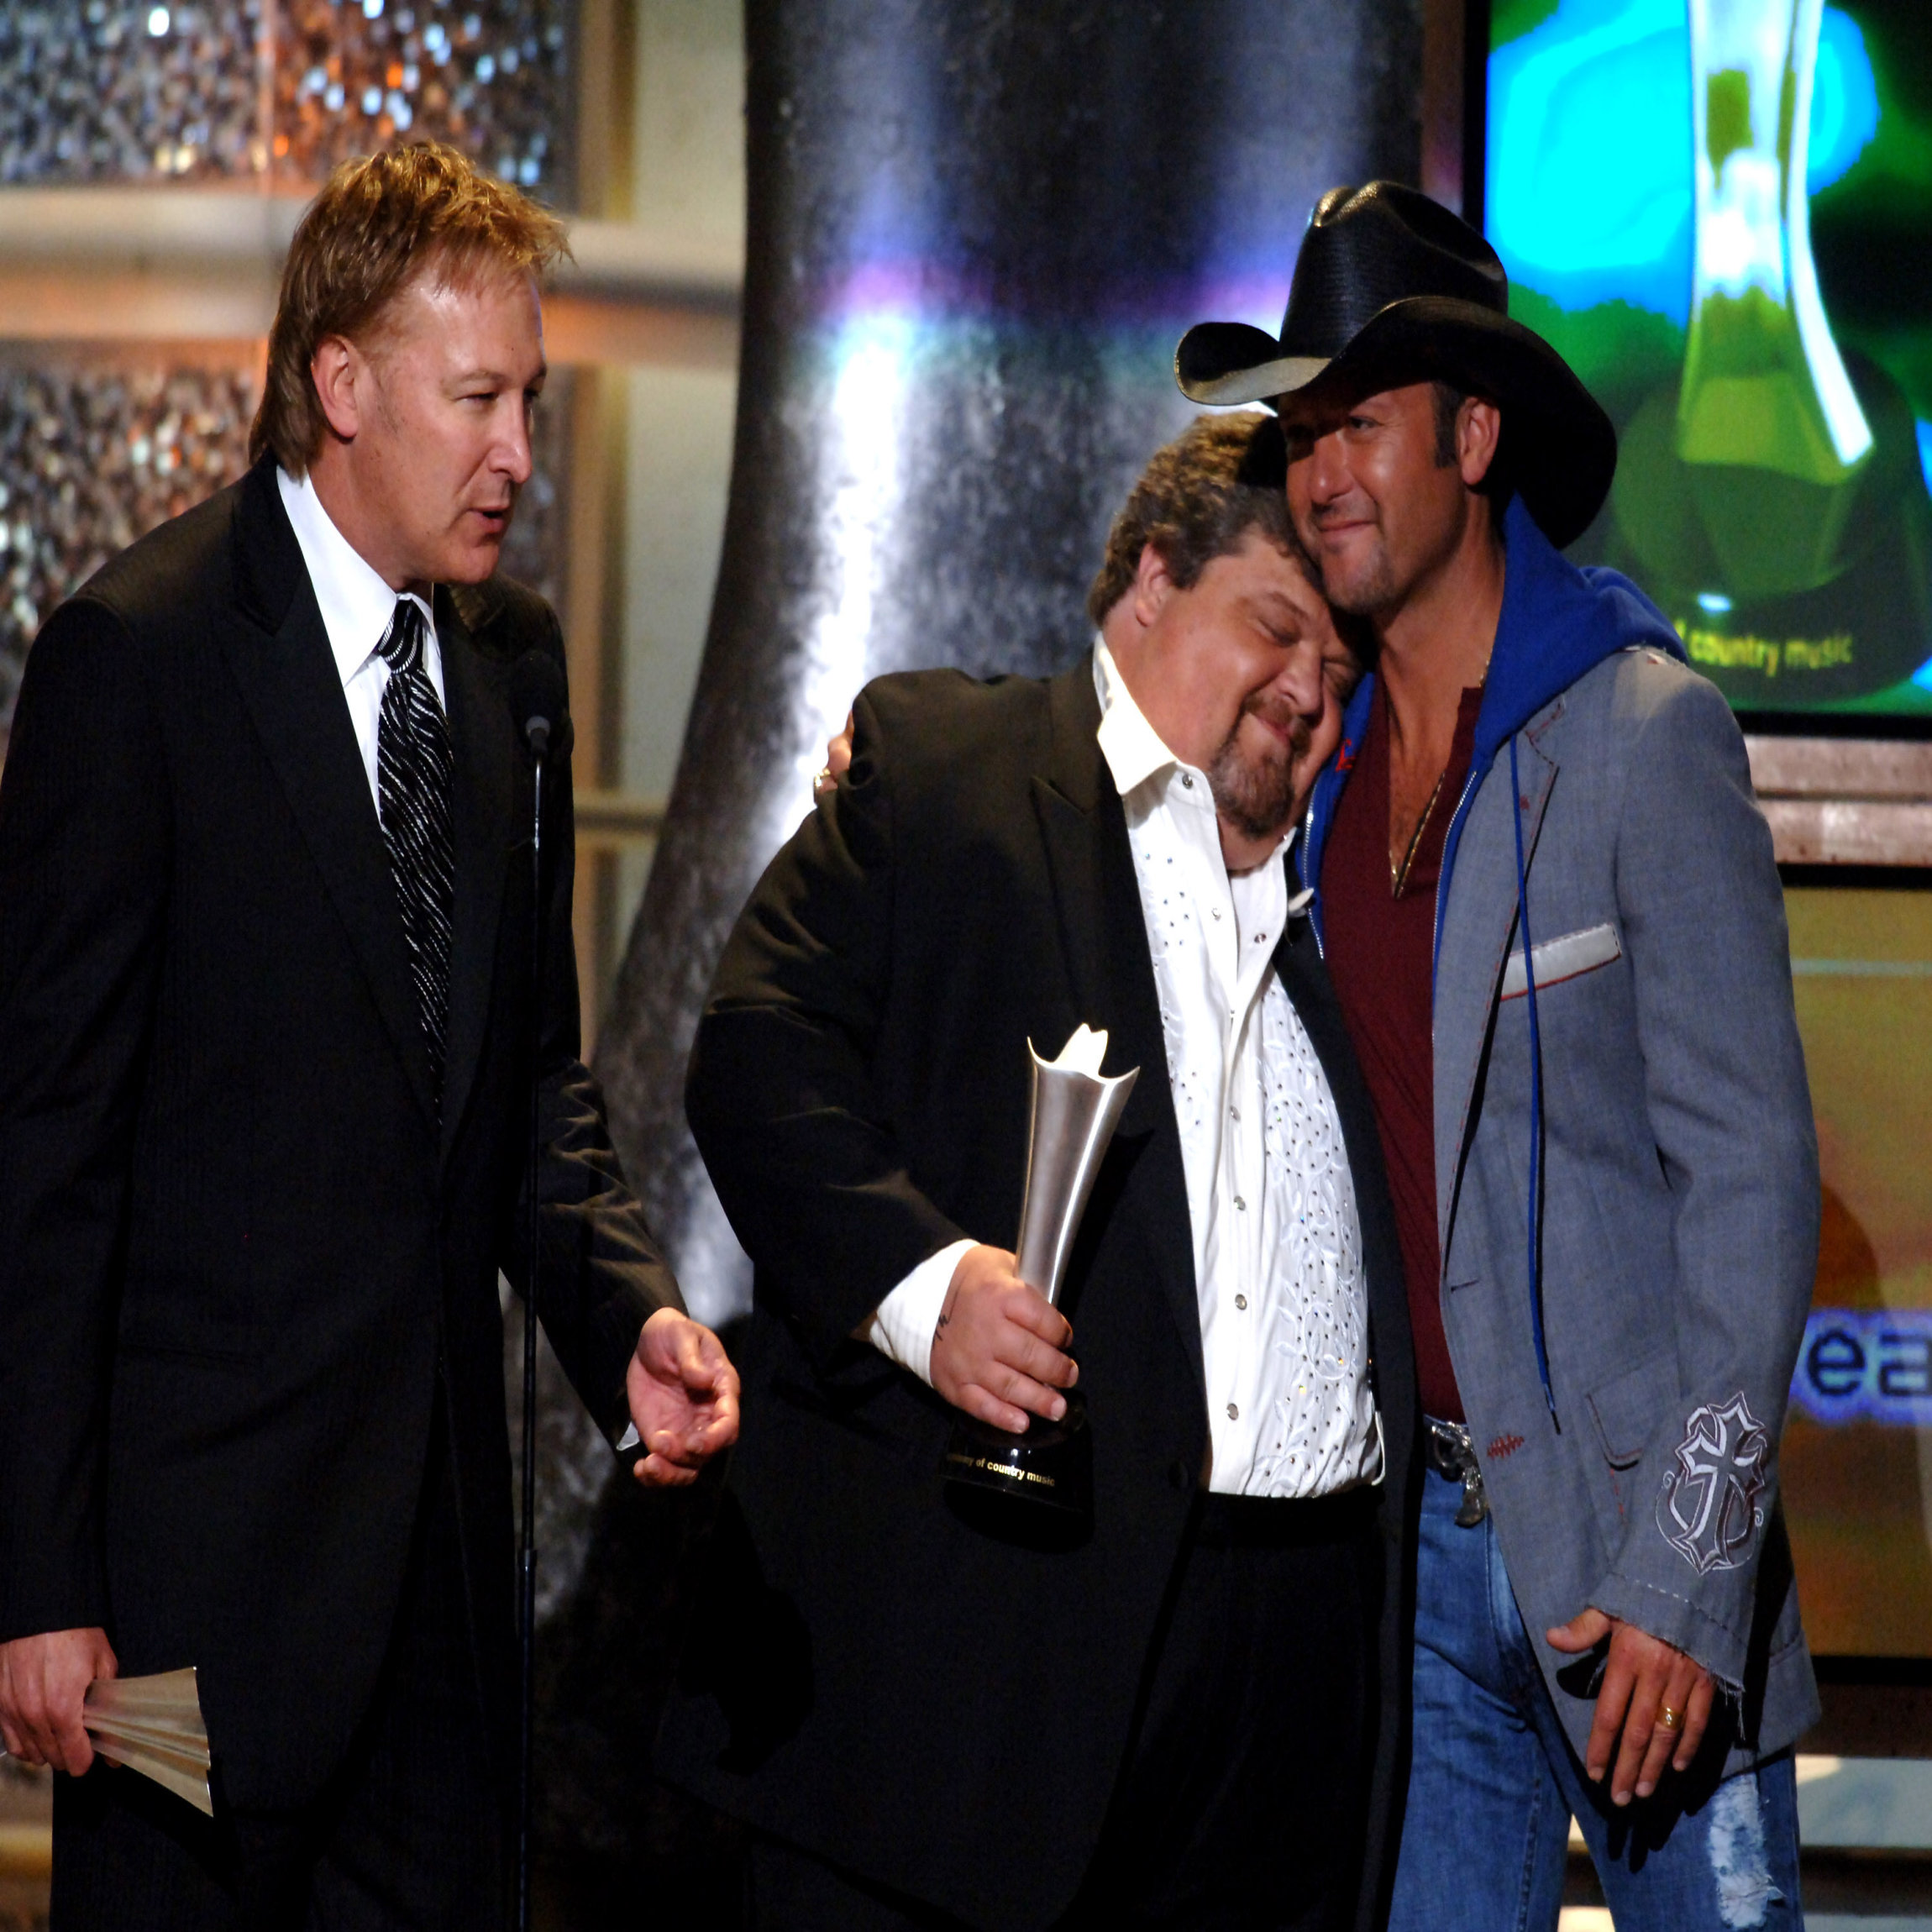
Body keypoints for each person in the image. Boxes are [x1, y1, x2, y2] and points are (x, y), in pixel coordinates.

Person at [0, 142, 739, 1929]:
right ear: (340, 385)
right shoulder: (139, 657)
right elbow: (43, 1152)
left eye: (532, 404)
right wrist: (34, 1576)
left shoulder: (515, 670)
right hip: (182, 1614)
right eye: (478, 400)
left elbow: (529, 1093)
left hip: (440, 1618)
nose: (518, 455)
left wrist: (627, 1309)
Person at [657, 412, 1417, 1932]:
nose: (1306, 695)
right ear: (1151, 582)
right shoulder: (951, 768)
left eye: (1339, 675)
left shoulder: (1341, 876)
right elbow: (755, 1052)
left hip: (1291, 1681)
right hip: (993, 1683)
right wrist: (923, 1291)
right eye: (1275, 629)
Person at [1177, 181, 1819, 1930]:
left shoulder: (1640, 728)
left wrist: (1692, 1581)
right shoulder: (1320, 759)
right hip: (1415, 1570)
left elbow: (1752, 1180)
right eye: (1298, 433)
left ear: (1471, 434)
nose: (1317, 473)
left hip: (1632, 1581)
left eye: (1356, 426)